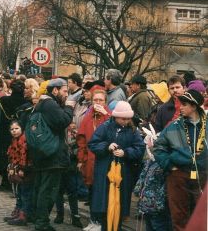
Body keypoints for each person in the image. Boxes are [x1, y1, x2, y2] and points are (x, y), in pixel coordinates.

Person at [154, 90, 207, 231]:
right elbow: (158, 148)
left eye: (184, 104)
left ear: (194, 106)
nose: (180, 107)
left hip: (203, 175)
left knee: (201, 216)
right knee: (179, 215)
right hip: (178, 175)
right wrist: (169, 165)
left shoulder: (206, 126)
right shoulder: (174, 126)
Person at [88, 101, 145, 231]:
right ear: (116, 116)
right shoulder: (105, 127)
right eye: (123, 118)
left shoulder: (133, 131)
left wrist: (126, 152)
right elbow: (92, 143)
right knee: (105, 205)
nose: (126, 121)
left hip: (123, 174)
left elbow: (140, 148)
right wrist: (107, 146)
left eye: (128, 119)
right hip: (105, 173)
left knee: (119, 205)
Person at [30, 77, 73, 231]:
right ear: (55, 90)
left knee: (42, 188)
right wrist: (69, 108)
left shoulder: (43, 103)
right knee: (48, 190)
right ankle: (42, 223)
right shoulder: (50, 104)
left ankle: (37, 218)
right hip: (52, 156)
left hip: (44, 153)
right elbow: (62, 121)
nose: (67, 94)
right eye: (65, 91)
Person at [76, 89, 111, 230]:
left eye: (100, 100)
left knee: (102, 192)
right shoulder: (88, 117)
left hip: (105, 160)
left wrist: (106, 114)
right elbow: (81, 141)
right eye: (95, 100)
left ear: (105, 102)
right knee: (91, 191)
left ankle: (101, 222)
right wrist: (81, 159)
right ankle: (93, 220)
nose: (97, 103)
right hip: (90, 160)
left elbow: (114, 131)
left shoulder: (109, 116)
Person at [3, 120, 34, 226]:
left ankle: (23, 216)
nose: (14, 131)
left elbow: (26, 156)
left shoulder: (25, 140)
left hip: (26, 171)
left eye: (16, 128)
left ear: (21, 129)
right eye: (12, 129)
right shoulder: (14, 140)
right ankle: (18, 213)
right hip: (19, 171)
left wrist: (23, 168)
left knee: (25, 194)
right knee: (20, 193)